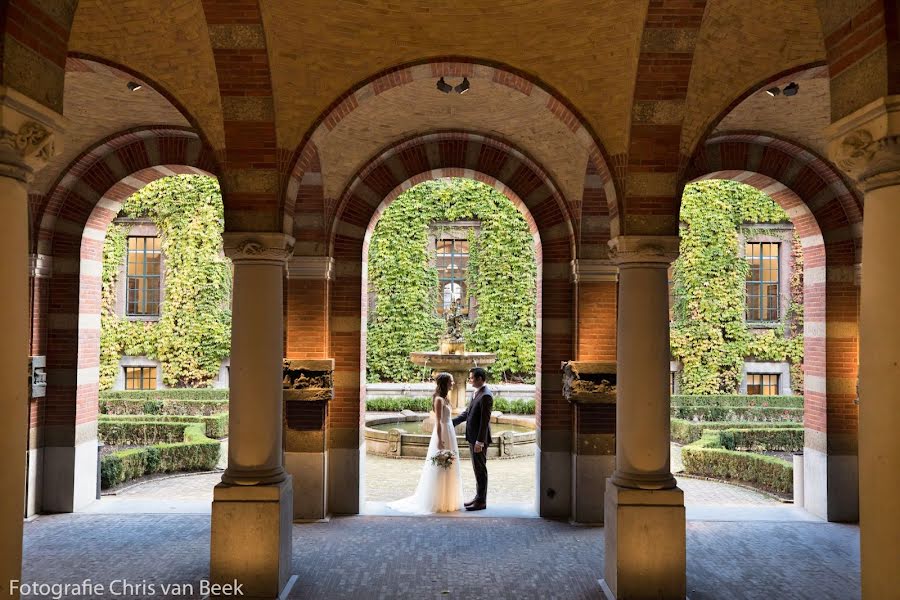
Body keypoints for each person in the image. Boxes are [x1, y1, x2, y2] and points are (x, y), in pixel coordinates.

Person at [387, 372, 464, 514]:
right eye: (451, 381)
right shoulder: (439, 400)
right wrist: (440, 440)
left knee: (449, 464)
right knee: (441, 464)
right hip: (443, 432)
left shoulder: (446, 398)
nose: (453, 383)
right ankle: (437, 498)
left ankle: (448, 497)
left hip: (449, 431)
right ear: (445, 383)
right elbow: (439, 422)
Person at [453, 367, 493, 511]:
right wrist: (453, 422)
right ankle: (478, 497)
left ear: (480, 379)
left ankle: (481, 501)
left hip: (478, 440)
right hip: (473, 438)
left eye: (471, 378)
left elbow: (484, 421)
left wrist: (480, 442)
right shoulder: (476, 393)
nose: (469, 380)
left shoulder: (486, 396)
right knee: (477, 469)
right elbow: (468, 413)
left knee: (481, 469)